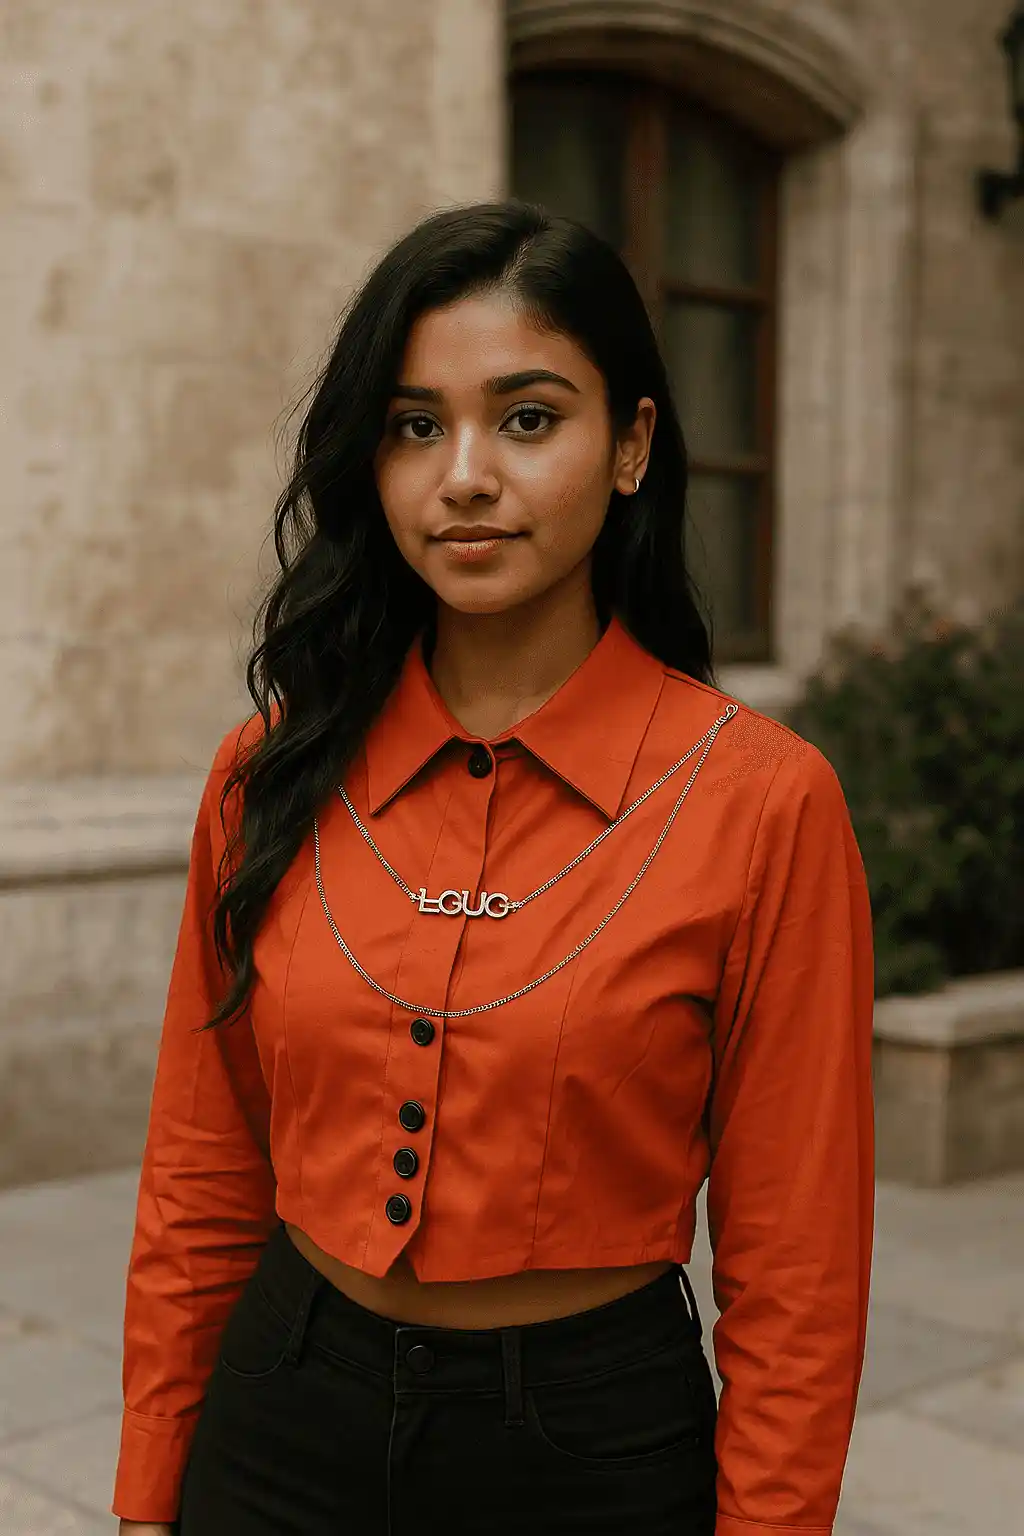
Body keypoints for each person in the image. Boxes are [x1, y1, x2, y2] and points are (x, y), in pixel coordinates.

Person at [112, 199, 875, 1536]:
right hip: (280, 1418)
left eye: (527, 418)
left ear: (631, 444)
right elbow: (200, 1170)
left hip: (589, 1450)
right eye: (416, 427)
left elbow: (798, 1263)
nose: (464, 476)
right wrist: (146, 1491)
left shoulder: (763, 803)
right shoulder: (268, 772)